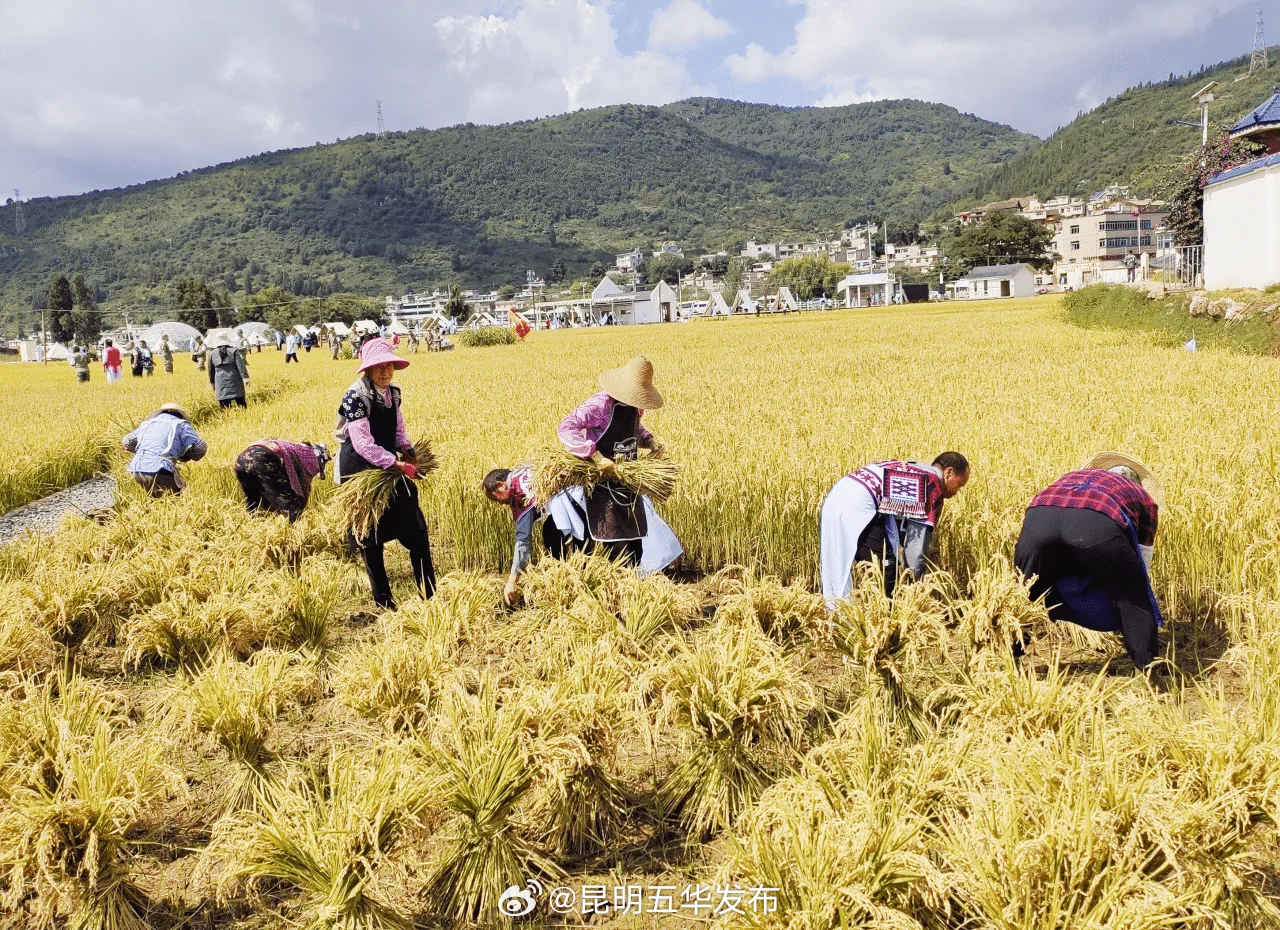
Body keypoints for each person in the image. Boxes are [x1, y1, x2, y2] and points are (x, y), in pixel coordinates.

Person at [1014, 453, 1164, 672]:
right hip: (1095, 523)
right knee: (1132, 597)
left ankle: (1011, 658)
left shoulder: (1074, 476)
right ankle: (1149, 670)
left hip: (1040, 518)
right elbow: (1142, 558)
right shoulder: (1142, 496)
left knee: (1026, 594)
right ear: (1136, 482)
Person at [335, 338, 435, 609]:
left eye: (388, 365)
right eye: (378, 367)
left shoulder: (394, 393)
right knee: (370, 536)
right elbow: (363, 443)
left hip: (388, 463)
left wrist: (407, 449)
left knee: (416, 526)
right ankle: (384, 602)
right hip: (361, 469)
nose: (385, 372)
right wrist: (397, 464)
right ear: (367, 370)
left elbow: (398, 429)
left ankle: (429, 593)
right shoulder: (355, 396)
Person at [557, 356, 669, 567]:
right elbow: (566, 427)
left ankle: (635, 591)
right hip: (603, 484)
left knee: (636, 546)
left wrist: (650, 441)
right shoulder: (600, 405)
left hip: (628, 483)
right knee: (615, 548)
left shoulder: (635, 406)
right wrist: (597, 458)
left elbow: (635, 431)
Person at [820, 452, 971, 603]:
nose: (957, 492)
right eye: (959, 484)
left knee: (860, 564)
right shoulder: (932, 486)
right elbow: (915, 551)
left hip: (838, 495)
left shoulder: (917, 471)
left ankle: (851, 612)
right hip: (859, 504)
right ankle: (883, 618)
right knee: (887, 569)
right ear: (949, 472)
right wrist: (914, 588)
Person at [122, 404, 208, 496]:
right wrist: (187, 456)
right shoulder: (181, 424)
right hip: (160, 468)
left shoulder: (147, 423)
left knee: (156, 500)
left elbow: (127, 442)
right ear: (180, 415)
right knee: (179, 499)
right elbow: (200, 447)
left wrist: (144, 451)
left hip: (136, 469)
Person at [235, 440, 330, 522]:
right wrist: (297, 506)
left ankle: (252, 534)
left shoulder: (294, 448)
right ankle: (295, 537)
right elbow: (302, 488)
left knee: (254, 506)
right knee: (292, 505)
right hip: (262, 458)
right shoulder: (309, 455)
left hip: (241, 460)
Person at [207, 332, 250, 408]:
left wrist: (212, 383)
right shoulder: (234, 351)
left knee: (225, 407)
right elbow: (240, 365)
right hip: (235, 379)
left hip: (220, 382)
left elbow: (210, 370)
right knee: (241, 403)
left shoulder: (212, 353)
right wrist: (245, 378)